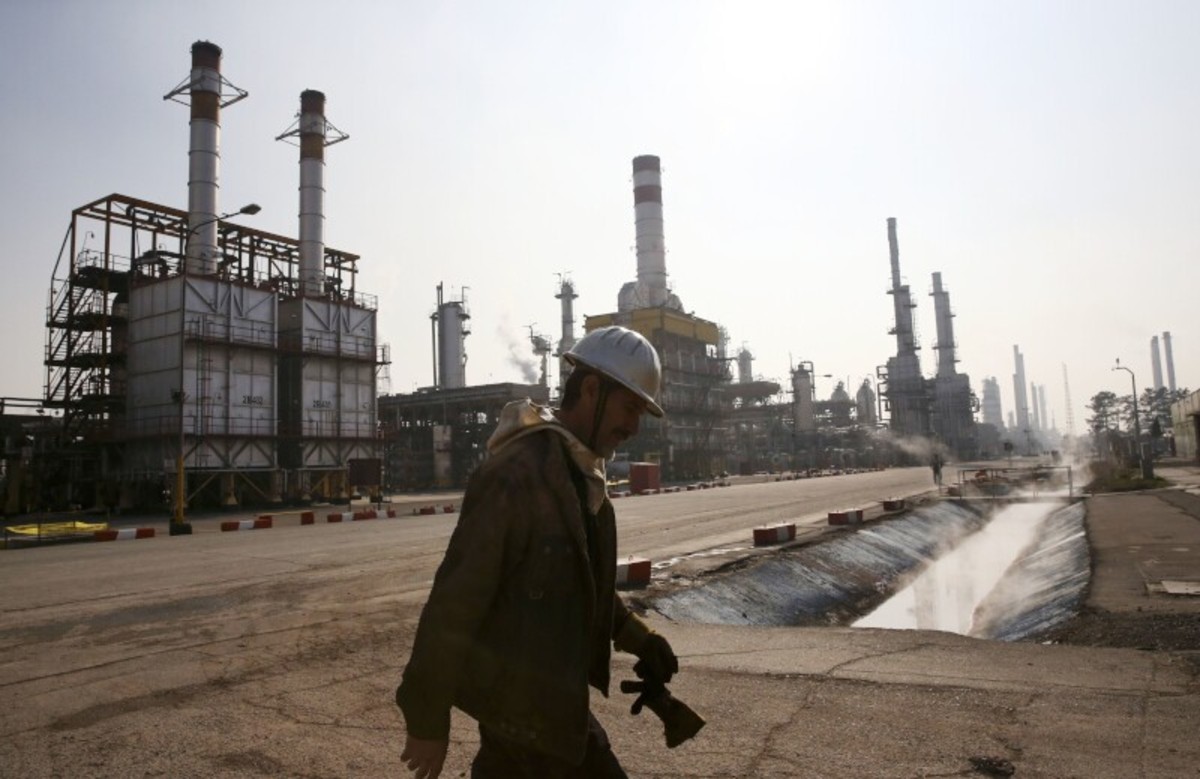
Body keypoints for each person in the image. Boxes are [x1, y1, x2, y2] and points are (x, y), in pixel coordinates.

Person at [395, 325, 680, 779]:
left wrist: (638, 637)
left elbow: (580, 582)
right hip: (520, 720)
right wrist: (426, 718)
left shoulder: (582, 476)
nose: (633, 427)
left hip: (554, 714)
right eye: (629, 408)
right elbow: (455, 602)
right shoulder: (517, 474)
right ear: (591, 390)